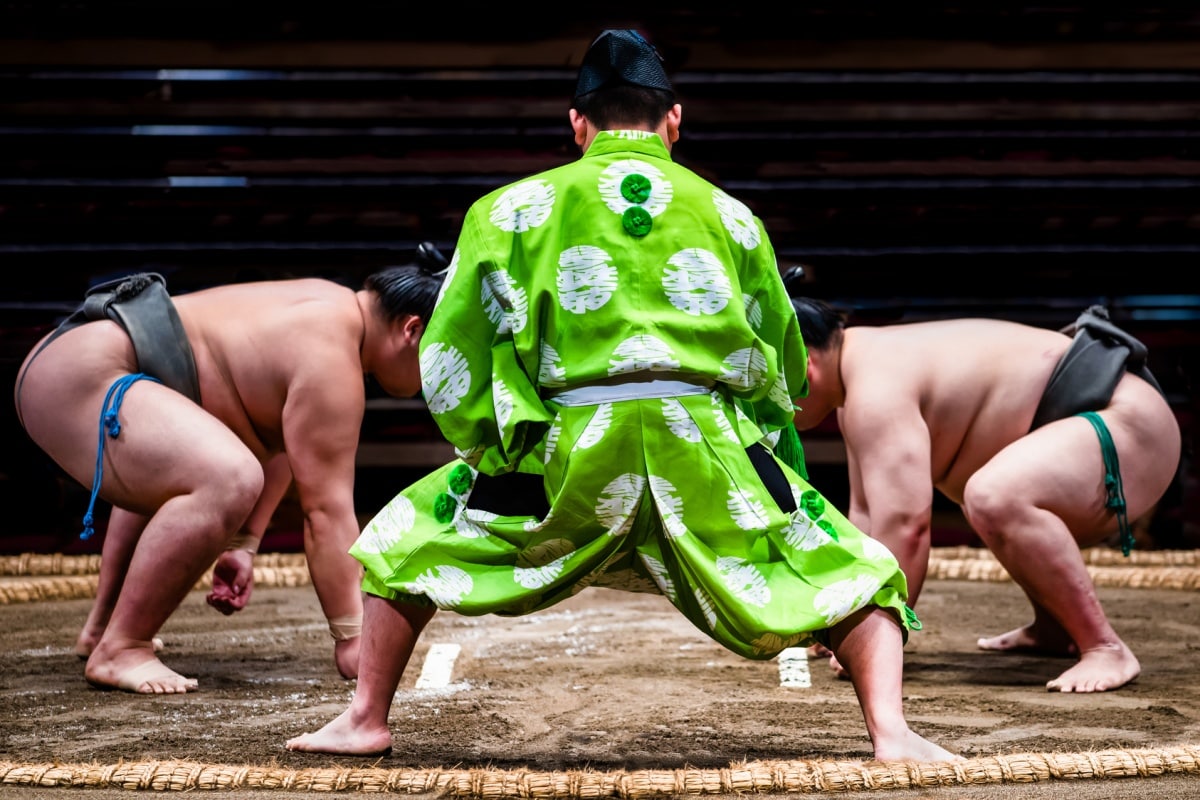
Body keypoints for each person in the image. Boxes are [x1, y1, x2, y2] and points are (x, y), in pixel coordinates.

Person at [285, 29, 957, 763]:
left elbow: (449, 354)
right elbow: (783, 359)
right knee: (852, 567)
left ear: (578, 124)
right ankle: (890, 732)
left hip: (567, 447)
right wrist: (752, 445)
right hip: (702, 444)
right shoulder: (732, 215)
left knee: (401, 540)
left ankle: (365, 721)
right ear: (674, 121)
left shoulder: (507, 211)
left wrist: (496, 445)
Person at [13, 245, 447, 694]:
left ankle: (102, 629)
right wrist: (353, 637)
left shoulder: (330, 306)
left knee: (195, 464)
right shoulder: (333, 355)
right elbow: (326, 511)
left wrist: (244, 543)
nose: (436, 376)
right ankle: (122, 647)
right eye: (440, 354)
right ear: (411, 330)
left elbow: (279, 442)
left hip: (70, 363)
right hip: (87, 378)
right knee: (229, 475)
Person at [788, 291, 1181, 693]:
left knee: (994, 495)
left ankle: (1106, 647)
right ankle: (1053, 627)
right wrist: (847, 617)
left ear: (805, 365)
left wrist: (872, 636)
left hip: (1128, 428)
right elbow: (867, 519)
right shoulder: (858, 382)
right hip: (1102, 428)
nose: (773, 410)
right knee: (993, 489)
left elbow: (905, 526)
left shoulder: (873, 384)